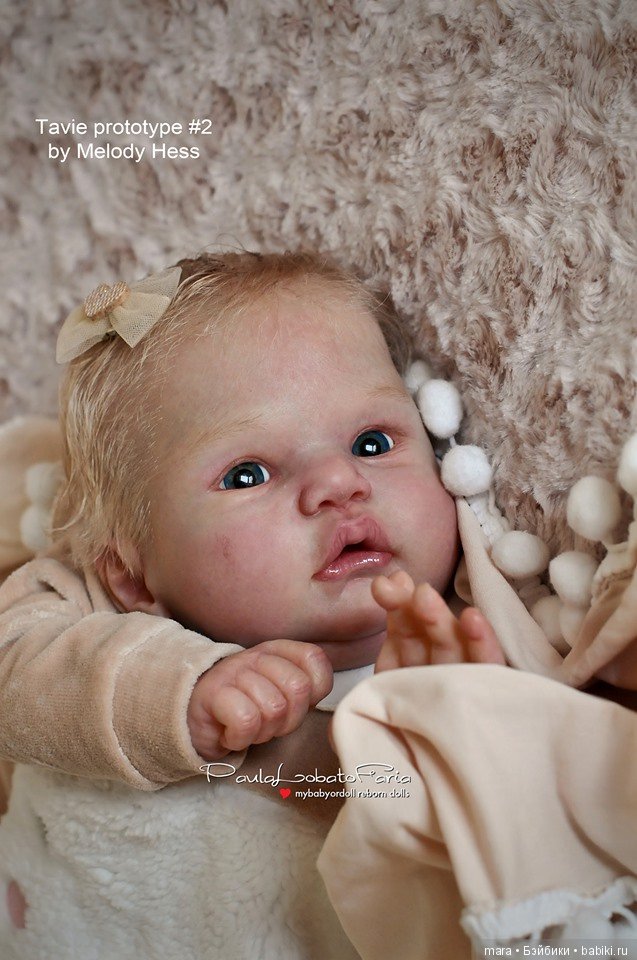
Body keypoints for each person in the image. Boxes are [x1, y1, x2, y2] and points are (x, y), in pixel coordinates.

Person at [0, 250, 506, 959]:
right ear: (134, 573)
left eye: (370, 441)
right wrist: (177, 695)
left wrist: (406, 744)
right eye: (248, 472)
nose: (338, 481)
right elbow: (12, 681)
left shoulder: (476, 638)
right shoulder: (92, 611)